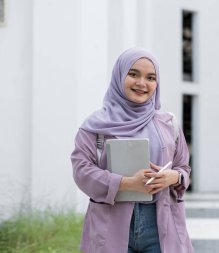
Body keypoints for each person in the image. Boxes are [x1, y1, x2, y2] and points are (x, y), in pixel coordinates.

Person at [71, 48, 194, 253]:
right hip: (111, 225)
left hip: (161, 225)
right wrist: (128, 183)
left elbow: (184, 168)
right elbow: (81, 171)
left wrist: (174, 177)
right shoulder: (95, 126)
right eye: (133, 74)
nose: (142, 83)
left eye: (150, 77)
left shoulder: (168, 124)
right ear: (120, 76)